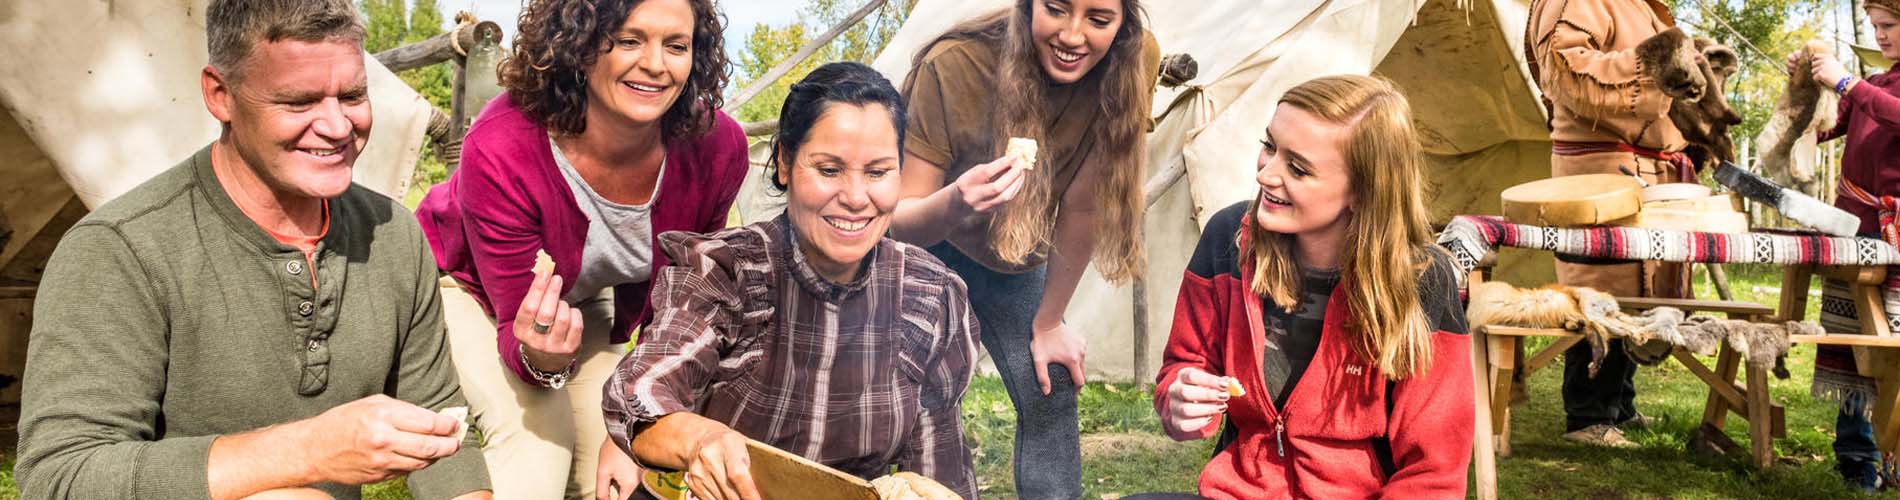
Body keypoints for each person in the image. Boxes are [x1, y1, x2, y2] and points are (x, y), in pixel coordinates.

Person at [14, 1, 491, 498]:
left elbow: (440, 426)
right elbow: (61, 476)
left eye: (352, 95)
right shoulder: (119, 251)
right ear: (220, 95)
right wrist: (309, 449)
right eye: (298, 102)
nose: (337, 126)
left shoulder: (392, 233)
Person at [411, 0, 746, 497]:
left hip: (581, 301)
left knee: (627, 469)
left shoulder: (716, 148)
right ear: (580, 42)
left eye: (676, 46)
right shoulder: (504, 142)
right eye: (630, 40)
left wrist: (637, 412)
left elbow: (688, 293)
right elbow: (516, 322)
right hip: (470, 289)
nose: (656, 64)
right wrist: (544, 363)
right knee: (541, 456)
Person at [602, 62, 980, 500]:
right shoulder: (729, 269)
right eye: (829, 169)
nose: (856, 198)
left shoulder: (929, 297)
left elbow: (937, 468)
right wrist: (700, 441)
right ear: (784, 162)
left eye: (878, 172)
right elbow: (641, 389)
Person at [1154, 75, 1473, 498]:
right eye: (1269, 146)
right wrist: (1179, 399)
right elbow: (1183, 367)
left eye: (1298, 168)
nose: (1267, 174)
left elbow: (1433, 474)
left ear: (1363, 191)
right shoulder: (1227, 239)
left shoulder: (1421, 282)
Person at [892, 1, 1159, 496]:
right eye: (1056, 10)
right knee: (912, 400)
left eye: (1099, 20)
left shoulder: (1132, 59)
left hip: (1013, 258)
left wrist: (1049, 322)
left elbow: (1082, 208)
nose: (1074, 36)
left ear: (1124, 24)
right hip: (925, 249)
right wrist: (954, 204)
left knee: (1051, 383)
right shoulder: (954, 64)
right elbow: (900, 220)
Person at [1525, 0, 1703, 447]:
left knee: (1636, 289)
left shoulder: (1641, 5)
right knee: (1598, 289)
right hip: (1598, 171)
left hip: (1638, 167)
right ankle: (1587, 416)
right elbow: (1564, 69)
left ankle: (1618, 405)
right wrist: (1652, 62)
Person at [1797, 0, 1900, 489]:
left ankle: (1894, 456)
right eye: (1877, 26)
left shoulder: (1872, 89)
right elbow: (1824, 127)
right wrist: (1805, 87)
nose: (1881, 36)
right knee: (1851, 343)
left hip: (1895, 235)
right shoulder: (1875, 84)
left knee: (1893, 353)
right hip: (1854, 231)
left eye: (1891, 26)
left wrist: (1845, 82)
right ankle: (1857, 456)